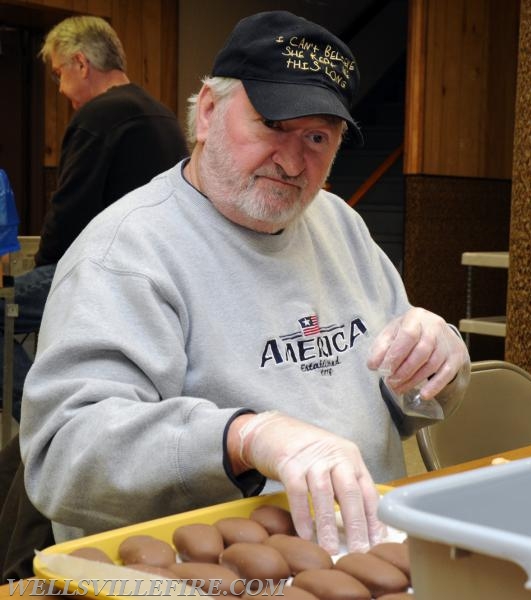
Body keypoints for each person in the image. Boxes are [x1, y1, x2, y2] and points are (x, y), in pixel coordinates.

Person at [20, 11, 470, 555]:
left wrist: (433, 365)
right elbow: (64, 460)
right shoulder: (125, 254)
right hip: (212, 574)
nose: (292, 160)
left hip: (368, 548)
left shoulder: (339, 224)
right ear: (208, 111)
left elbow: (395, 408)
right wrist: (245, 438)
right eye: (272, 125)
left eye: (316, 137)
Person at [0, 16, 189, 421]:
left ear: (81, 64)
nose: (61, 89)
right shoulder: (161, 113)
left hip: (106, 270)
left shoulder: (97, 117)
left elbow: (71, 212)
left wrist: (41, 271)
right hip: (165, 269)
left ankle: (47, 419)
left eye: (58, 74)